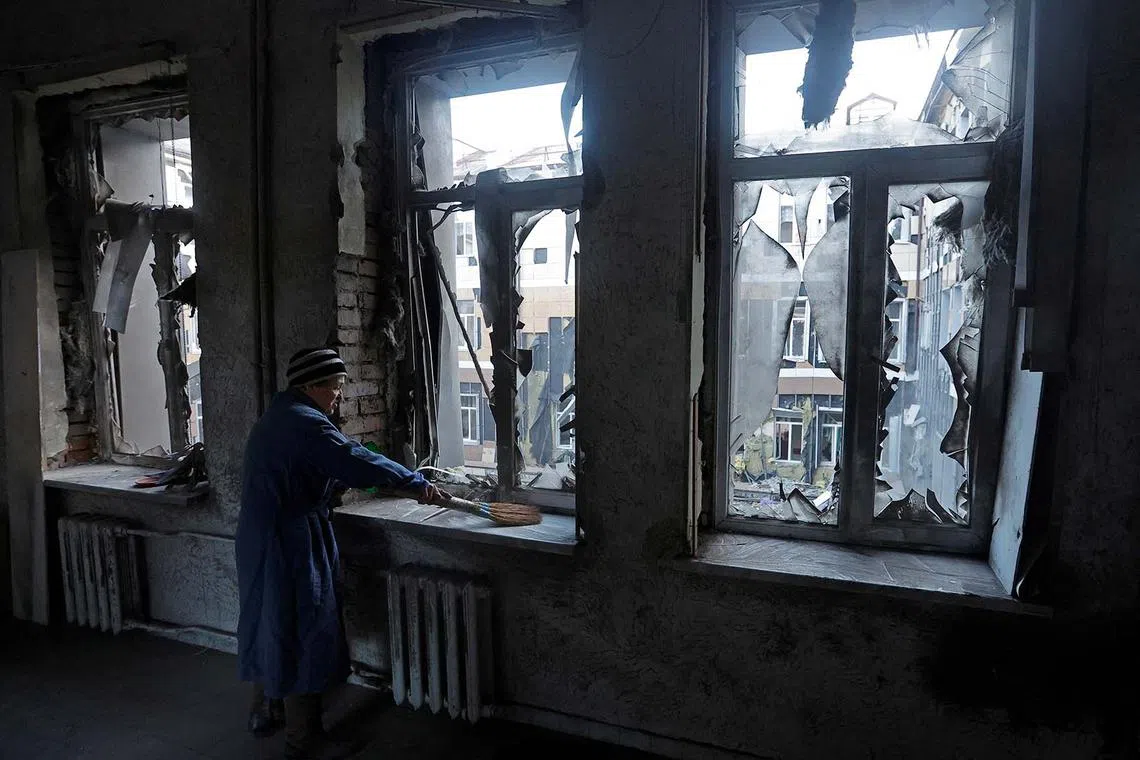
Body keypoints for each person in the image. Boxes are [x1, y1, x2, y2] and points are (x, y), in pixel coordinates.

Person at [236, 347, 439, 759]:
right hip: (290, 540)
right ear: (311, 385)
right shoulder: (306, 423)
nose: (339, 396)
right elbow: (351, 458)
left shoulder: (277, 416)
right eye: (335, 386)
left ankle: (266, 709)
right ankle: (303, 739)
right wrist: (412, 481)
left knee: (268, 619)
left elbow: (322, 466)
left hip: (259, 536)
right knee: (302, 628)